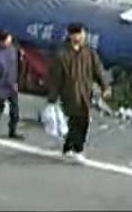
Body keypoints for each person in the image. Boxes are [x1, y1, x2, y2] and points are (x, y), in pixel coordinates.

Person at [46, 23, 110, 161]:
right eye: (78, 34)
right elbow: (55, 78)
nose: (81, 36)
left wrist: (105, 86)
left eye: (82, 33)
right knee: (76, 121)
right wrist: (52, 98)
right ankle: (77, 149)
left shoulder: (89, 52)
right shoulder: (62, 55)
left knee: (82, 121)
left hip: (85, 92)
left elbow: (98, 71)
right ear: (71, 35)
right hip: (69, 94)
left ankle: (69, 148)